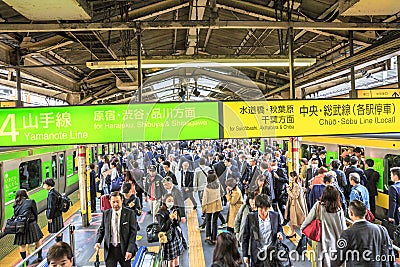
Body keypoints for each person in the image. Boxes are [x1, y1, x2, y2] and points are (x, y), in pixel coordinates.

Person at [331, 200, 395, 267]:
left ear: (351, 213)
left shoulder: (348, 234)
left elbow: (338, 259)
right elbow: (390, 254)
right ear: (366, 212)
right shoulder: (382, 230)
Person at [301, 186, 347, 267]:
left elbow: (308, 220)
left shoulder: (318, 206)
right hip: (336, 241)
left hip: (321, 241)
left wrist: (302, 229)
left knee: (321, 262)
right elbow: (343, 228)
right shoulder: (339, 209)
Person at [95, 191, 137, 267]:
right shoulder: (106, 214)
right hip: (110, 250)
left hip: (124, 250)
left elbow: (133, 233)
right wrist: (98, 241)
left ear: (122, 200)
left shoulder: (130, 213)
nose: (115, 204)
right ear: (109, 201)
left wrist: (130, 250)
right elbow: (102, 229)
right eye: (113, 202)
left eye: (117, 201)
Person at [242, 194, 284, 267]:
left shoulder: (275, 216)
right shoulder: (251, 218)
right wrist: (245, 255)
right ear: (256, 207)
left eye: (266, 208)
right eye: (261, 208)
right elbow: (245, 237)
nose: (264, 211)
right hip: (257, 255)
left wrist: (280, 233)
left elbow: (279, 227)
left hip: (272, 254)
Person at [9, 189, 44, 261]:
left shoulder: (16, 204)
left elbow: (16, 215)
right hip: (31, 224)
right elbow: (35, 213)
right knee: (38, 239)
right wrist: (35, 223)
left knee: (22, 244)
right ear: (25, 194)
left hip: (20, 226)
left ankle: (25, 260)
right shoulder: (31, 201)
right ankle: (40, 257)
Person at [156, 194, 187, 267]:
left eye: (172, 201)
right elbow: (163, 228)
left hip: (176, 236)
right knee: (171, 260)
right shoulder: (160, 213)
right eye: (169, 201)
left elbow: (176, 224)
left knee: (177, 257)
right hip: (168, 238)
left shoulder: (174, 209)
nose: (171, 202)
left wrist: (176, 219)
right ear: (164, 201)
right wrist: (170, 219)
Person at [284, 172, 307, 239]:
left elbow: (294, 196)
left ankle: (303, 233)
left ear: (294, 177)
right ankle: (292, 232)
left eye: (291, 177)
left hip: (296, 206)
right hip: (293, 205)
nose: (290, 178)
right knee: (292, 220)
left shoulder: (296, 186)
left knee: (298, 221)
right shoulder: (295, 184)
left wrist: (288, 190)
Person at [202, 173, 223, 245]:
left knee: (208, 221)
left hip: (209, 205)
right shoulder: (218, 185)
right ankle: (214, 238)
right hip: (217, 205)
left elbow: (205, 198)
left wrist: (203, 207)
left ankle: (208, 236)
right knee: (215, 222)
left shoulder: (207, 187)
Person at [43, 178, 64, 242]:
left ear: (49, 186)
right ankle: (59, 242)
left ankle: (59, 243)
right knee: (59, 230)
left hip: (55, 215)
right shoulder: (55, 192)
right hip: (58, 214)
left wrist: (49, 217)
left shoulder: (51, 194)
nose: (43, 186)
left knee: (57, 231)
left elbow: (51, 207)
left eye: (44, 185)